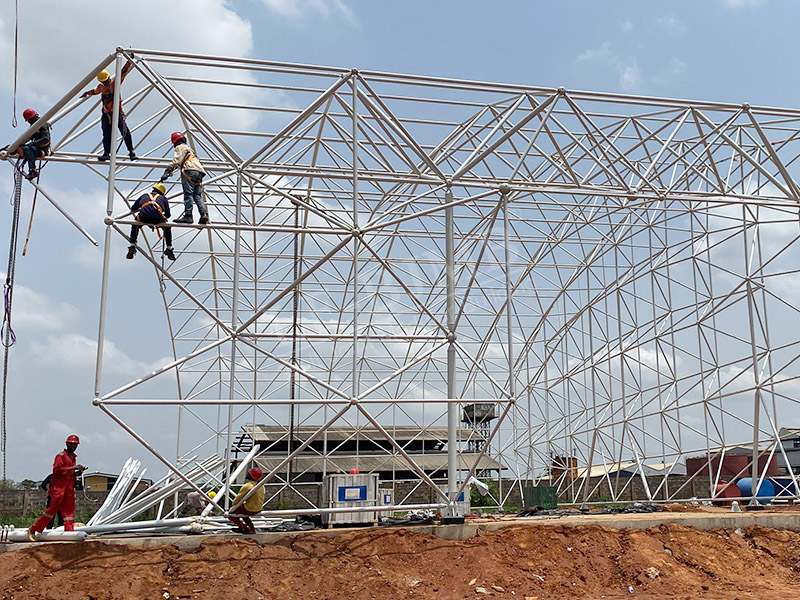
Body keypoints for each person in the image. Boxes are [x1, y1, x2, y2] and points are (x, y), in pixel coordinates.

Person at [27, 435, 86, 541]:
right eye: (71, 444)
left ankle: (69, 533)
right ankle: (35, 528)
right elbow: (57, 470)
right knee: (52, 509)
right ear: (67, 444)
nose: (73, 446)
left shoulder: (73, 457)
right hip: (59, 487)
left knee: (69, 512)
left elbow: (69, 474)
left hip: (68, 487)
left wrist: (78, 472)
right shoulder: (61, 456)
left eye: (75, 444)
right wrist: (73, 467)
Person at [80, 58, 137, 162]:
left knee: (125, 132)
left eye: (106, 81)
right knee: (107, 134)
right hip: (106, 114)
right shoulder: (101, 87)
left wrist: (129, 60)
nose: (106, 83)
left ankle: (131, 152)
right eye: (104, 82)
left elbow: (123, 71)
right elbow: (95, 91)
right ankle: (106, 153)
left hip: (117, 113)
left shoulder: (115, 83)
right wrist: (87, 93)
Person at [161, 132, 209, 224]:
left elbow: (177, 160)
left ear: (176, 141)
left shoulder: (180, 147)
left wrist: (167, 170)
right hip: (199, 172)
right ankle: (204, 214)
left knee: (188, 194)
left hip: (189, 170)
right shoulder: (189, 149)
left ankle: (188, 216)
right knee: (197, 195)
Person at [126, 183, 176, 261]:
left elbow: (133, 208)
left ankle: (132, 244)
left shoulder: (144, 196)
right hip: (157, 219)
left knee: (135, 224)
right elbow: (168, 215)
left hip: (143, 218)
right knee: (167, 228)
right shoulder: (163, 198)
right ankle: (169, 248)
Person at [14, 108, 51, 180]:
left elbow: (46, 138)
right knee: (23, 148)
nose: (29, 122)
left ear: (32, 118)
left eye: (29, 121)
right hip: (36, 148)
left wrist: (33, 143)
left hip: (43, 150)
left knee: (28, 149)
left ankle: (33, 170)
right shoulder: (34, 126)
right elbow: (30, 137)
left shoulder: (42, 124)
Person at [228, 467, 264, 534]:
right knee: (243, 514)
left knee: (231, 514)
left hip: (250, 509)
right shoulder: (261, 486)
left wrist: (233, 505)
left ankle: (243, 527)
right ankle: (251, 529)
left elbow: (238, 498)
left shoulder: (248, 486)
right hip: (259, 508)